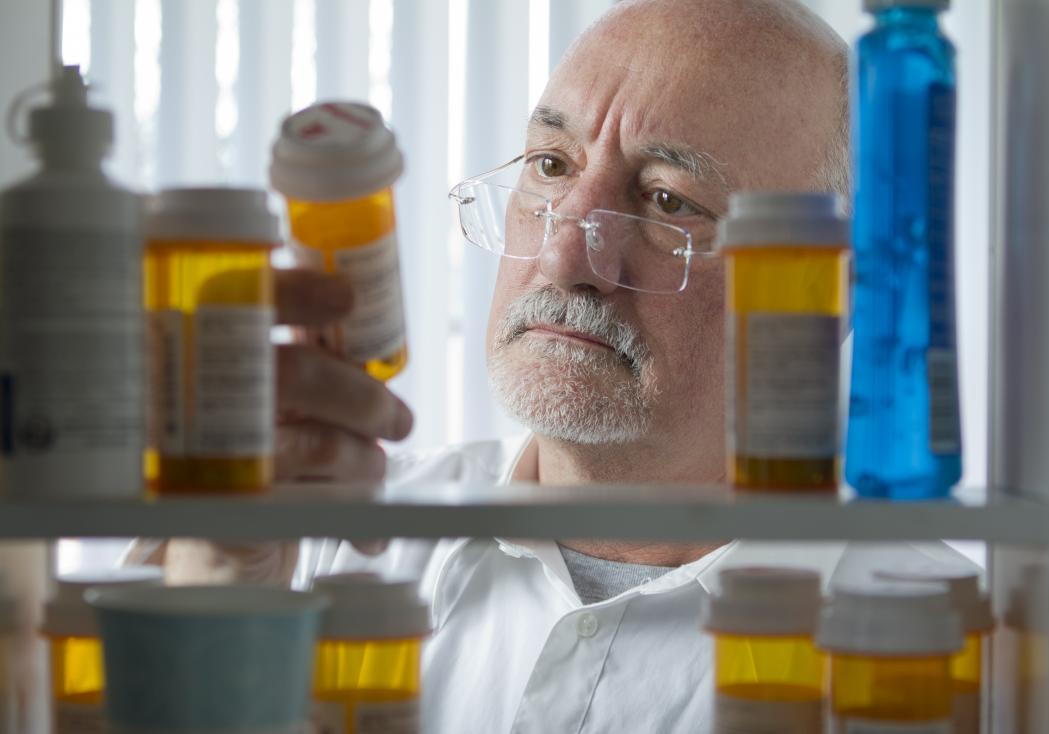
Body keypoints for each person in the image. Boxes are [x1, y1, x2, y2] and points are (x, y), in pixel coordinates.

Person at [135, 0, 975, 731]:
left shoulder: (944, 649)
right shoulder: (326, 544)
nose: (566, 254)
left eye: (667, 200)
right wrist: (213, 584)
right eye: (551, 166)